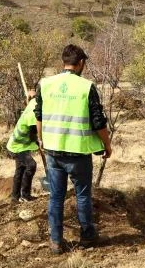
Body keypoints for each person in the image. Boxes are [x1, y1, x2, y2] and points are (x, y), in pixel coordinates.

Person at [35, 44, 112, 255]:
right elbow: (98, 121)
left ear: (64, 62)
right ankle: (87, 236)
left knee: (56, 197)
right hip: (78, 154)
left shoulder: (46, 84)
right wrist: (106, 144)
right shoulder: (86, 87)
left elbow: (38, 115)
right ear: (81, 63)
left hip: (52, 151)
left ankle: (56, 242)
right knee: (83, 196)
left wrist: (41, 139)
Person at [6, 89, 39, 202]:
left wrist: (31, 95)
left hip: (19, 145)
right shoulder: (33, 114)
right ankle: (25, 195)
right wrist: (40, 140)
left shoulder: (35, 102)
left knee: (20, 170)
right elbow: (33, 135)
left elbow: (32, 96)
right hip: (17, 146)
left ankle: (15, 197)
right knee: (31, 165)